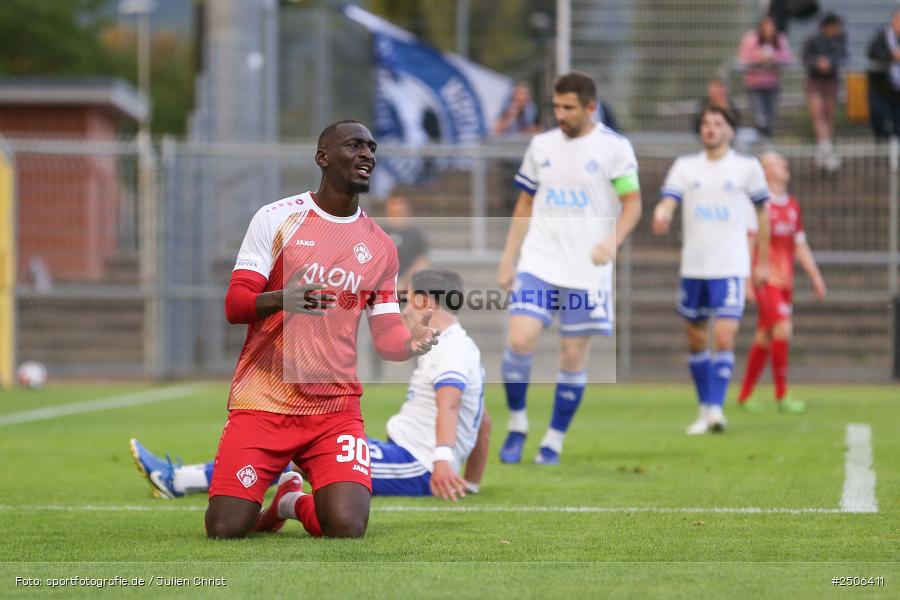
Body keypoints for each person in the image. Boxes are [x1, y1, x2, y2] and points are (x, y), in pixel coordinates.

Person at [201, 120, 439, 540]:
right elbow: (235, 306)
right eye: (354, 145)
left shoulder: (381, 245)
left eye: (371, 147)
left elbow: (385, 335)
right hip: (264, 403)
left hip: (334, 411)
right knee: (224, 529)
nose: (367, 154)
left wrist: (410, 344)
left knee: (347, 526)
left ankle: (288, 501)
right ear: (322, 157)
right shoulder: (276, 219)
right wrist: (282, 298)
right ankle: (267, 500)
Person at [131, 269, 491, 503]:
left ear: (425, 302)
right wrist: (470, 481)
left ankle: (177, 479)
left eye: (405, 298)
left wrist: (443, 462)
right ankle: (193, 480)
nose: (401, 307)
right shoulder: (459, 344)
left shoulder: (448, 348)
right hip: (406, 455)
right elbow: (483, 422)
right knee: (296, 449)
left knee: (292, 452)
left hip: (415, 464)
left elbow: (451, 405)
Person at [496, 71, 642, 464]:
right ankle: (517, 425)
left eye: (568, 107)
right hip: (539, 262)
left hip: (586, 271)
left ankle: (553, 441)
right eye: (556, 106)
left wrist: (611, 242)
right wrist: (509, 258)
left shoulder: (614, 148)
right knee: (519, 339)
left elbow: (633, 204)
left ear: (590, 107)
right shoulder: (541, 144)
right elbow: (524, 203)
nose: (559, 113)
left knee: (572, 355)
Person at [652, 106, 770, 435]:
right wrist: (662, 213)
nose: (711, 129)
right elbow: (669, 199)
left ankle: (717, 408)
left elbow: (763, 214)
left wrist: (763, 260)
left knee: (724, 335)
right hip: (694, 268)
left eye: (718, 123)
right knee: (696, 339)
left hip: (731, 266)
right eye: (706, 123)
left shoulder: (747, 167)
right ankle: (704, 407)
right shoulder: (685, 167)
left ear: (730, 130)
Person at [737, 152, 826, 412]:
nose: (784, 163)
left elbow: (799, 245)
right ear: (764, 172)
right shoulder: (758, 206)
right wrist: (747, 280)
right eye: (776, 162)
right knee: (783, 329)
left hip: (785, 282)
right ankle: (782, 395)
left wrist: (815, 276)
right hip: (766, 280)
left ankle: (744, 396)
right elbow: (749, 241)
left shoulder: (792, 206)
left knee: (765, 336)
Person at [802, 12, 847, 171]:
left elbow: (843, 57)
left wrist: (830, 63)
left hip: (831, 81)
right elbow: (805, 58)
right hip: (815, 81)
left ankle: (825, 150)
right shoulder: (813, 39)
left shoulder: (839, 39)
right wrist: (817, 63)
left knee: (829, 116)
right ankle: (825, 150)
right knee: (818, 114)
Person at [737, 15, 793, 139]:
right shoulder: (751, 38)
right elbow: (743, 58)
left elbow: (787, 58)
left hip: (772, 84)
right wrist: (757, 58)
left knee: (770, 118)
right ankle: (761, 141)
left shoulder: (780, 39)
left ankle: (767, 143)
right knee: (759, 117)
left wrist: (774, 58)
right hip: (754, 85)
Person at [380, 195, 429, 291]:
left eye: (401, 212)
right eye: (395, 212)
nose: (398, 215)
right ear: (389, 211)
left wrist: (404, 281)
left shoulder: (415, 234)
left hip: (408, 287)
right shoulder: (381, 232)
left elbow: (422, 261)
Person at [866, 10, 900, 141]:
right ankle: (883, 153)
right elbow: (873, 53)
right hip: (881, 88)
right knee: (880, 121)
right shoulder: (882, 36)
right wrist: (892, 55)